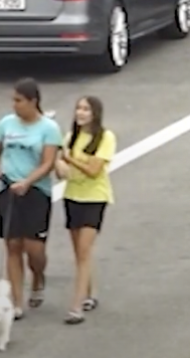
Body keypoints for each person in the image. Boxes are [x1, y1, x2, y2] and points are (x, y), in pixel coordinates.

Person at [0, 78, 63, 320]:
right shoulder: (6, 124)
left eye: (19, 101)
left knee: (34, 249)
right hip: (8, 189)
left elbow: (48, 162)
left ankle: (38, 276)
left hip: (35, 191)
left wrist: (28, 182)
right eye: (13, 100)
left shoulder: (49, 128)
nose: (14, 105)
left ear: (33, 101)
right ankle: (17, 301)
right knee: (13, 245)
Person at [55, 96, 116, 325]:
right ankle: (90, 293)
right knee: (80, 252)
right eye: (78, 108)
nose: (80, 113)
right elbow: (62, 172)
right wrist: (58, 162)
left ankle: (76, 306)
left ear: (95, 114)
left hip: (95, 198)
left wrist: (70, 159)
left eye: (86, 109)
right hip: (72, 197)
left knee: (83, 249)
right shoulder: (71, 137)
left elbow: (93, 170)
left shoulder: (106, 137)